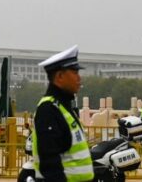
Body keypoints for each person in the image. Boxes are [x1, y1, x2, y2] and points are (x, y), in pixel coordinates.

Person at [32, 45, 93, 182]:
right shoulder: (49, 109)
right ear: (59, 76)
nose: (79, 78)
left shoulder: (63, 107)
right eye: (75, 72)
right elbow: (50, 162)